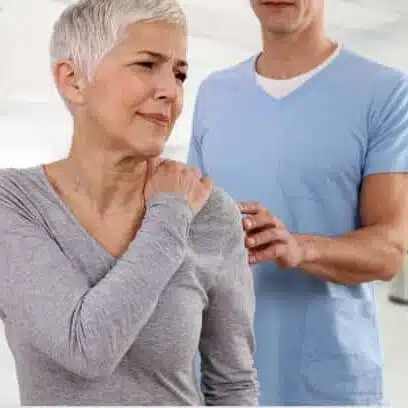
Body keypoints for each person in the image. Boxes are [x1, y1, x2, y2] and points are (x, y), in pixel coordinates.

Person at [0, 0, 259, 405]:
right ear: (73, 80)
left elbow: (233, 384)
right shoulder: (15, 203)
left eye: (180, 74)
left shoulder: (211, 214)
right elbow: (86, 347)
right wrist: (170, 213)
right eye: (146, 65)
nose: (170, 91)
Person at [188, 0, 408, 405]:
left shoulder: (386, 92)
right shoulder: (213, 93)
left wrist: (300, 247)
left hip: (327, 384)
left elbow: (389, 251)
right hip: (217, 382)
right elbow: (194, 238)